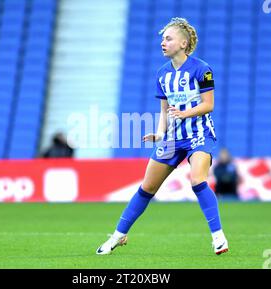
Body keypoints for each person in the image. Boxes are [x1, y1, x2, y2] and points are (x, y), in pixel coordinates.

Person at [96, 18, 228, 255]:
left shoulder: (202, 69)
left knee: (198, 180)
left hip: (199, 134)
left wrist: (185, 113)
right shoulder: (162, 74)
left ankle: (218, 237)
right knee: (147, 188)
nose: (163, 43)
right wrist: (159, 133)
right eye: (162, 39)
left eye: (168, 38)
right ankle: (117, 236)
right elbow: (164, 110)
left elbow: (209, 105)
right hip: (172, 138)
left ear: (183, 43)